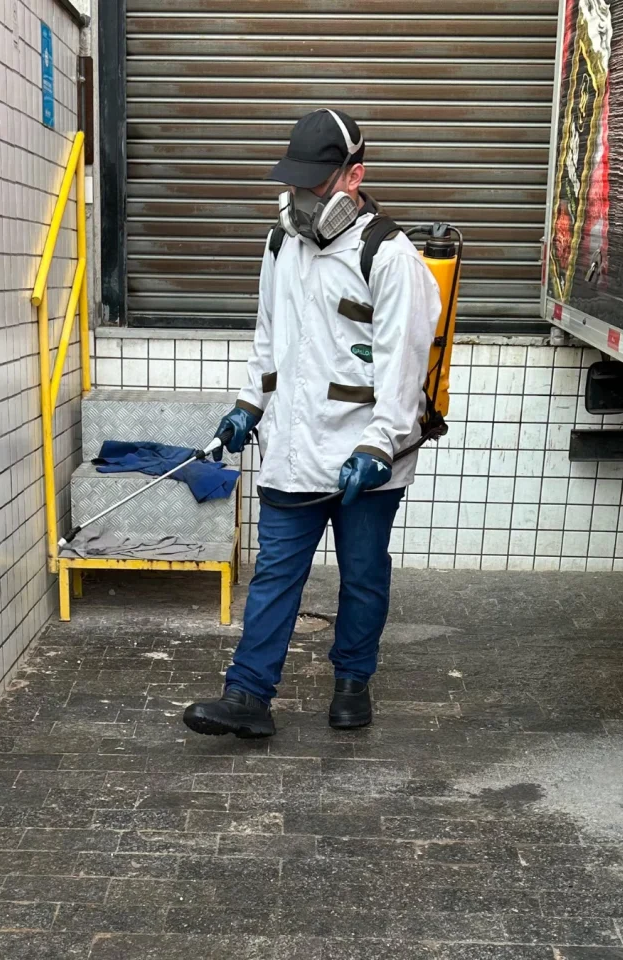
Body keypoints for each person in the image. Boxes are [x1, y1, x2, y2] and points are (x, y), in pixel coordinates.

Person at [184, 108, 441, 739]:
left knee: (361, 575)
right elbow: (268, 341)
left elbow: (404, 364)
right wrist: (248, 406)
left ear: (355, 177)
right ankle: (247, 695)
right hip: (295, 449)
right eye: (296, 183)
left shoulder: (389, 254)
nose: (302, 198)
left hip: (364, 458)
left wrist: (379, 445)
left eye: (317, 184)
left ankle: (353, 682)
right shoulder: (281, 245)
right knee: (275, 572)